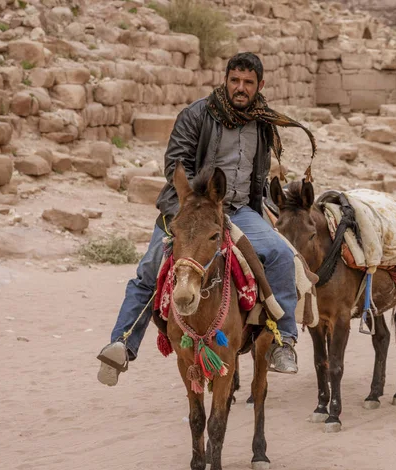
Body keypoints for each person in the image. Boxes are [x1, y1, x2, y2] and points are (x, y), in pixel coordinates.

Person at [97, 52, 316, 386]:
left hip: (241, 210)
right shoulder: (197, 114)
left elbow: (258, 177)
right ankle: (122, 343)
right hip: (193, 208)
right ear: (225, 79)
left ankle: (283, 342)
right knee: (152, 268)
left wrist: (271, 208)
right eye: (235, 81)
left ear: (259, 85)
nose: (240, 88)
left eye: (248, 83)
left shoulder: (263, 123)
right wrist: (194, 201)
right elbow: (175, 164)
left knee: (282, 255)